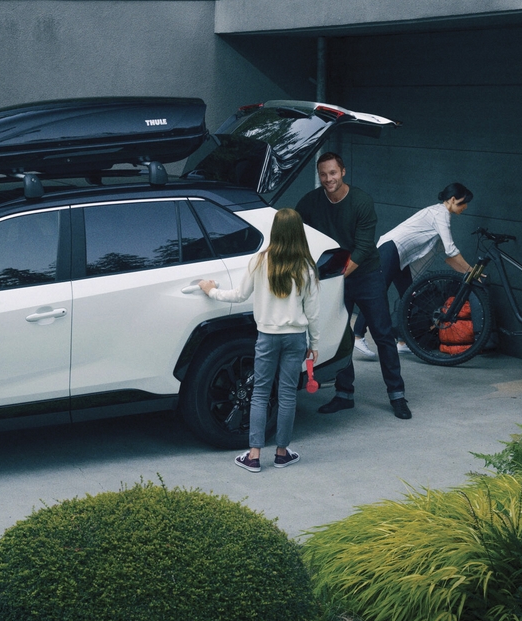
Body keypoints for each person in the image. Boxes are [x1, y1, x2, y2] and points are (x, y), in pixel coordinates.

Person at [198, 208, 320, 472]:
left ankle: (253, 456)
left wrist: (212, 291)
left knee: (260, 393)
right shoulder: (306, 267)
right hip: (295, 338)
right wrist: (315, 344)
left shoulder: (259, 261)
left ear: (275, 231)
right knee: (287, 394)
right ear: (299, 233)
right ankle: (282, 453)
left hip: (267, 337)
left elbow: (239, 295)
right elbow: (312, 312)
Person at [295, 152, 411, 419]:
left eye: (333, 173)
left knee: (382, 334)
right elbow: (294, 230)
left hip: (366, 274)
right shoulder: (311, 201)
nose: (328, 179)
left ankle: (397, 395)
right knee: (340, 336)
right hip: (334, 277)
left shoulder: (361, 201)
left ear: (343, 172)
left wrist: (333, 277)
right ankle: (344, 394)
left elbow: (363, 248)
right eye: (323, 174)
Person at [353, 183, 475, 358]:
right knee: (377, 293)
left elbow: (449, 257)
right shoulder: (440, 214)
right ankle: (358, 335)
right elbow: (451, 250)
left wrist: (469, 274)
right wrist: (472, 271)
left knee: (410, 297)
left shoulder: (439, 215)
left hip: (400, 257)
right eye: (464, 202)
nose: (466, 207)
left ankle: (403, 341)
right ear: (453, 199)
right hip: (391, 249)